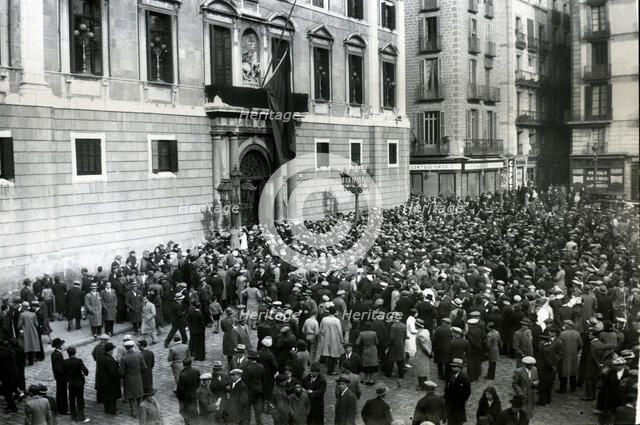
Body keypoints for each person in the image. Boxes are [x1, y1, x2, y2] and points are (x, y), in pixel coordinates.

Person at [536, 326, 563, 406]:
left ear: (555, 333)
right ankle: (544, 399)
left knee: (548, 383)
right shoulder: (547, 340)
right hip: (544, 365)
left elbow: (561, 354)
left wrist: (554, 362)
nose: (549, 333)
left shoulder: (558, 342)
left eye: (551, 332)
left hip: (551, 366)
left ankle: (545, 399)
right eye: (549, 331)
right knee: (544, 382)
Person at [120, 339, 147, 418]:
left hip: (128, 380)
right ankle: (142, 411)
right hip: (138, 378)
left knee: (131, 397)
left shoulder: (124, 358)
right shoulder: (139, 355)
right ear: (133, 346)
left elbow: (122, 372)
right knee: (139, 396)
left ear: (126, 348)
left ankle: (134, 412)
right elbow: (144, 367)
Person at [62, 347, 90, 423]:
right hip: (79, 383)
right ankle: (81, 417)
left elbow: (63, 373)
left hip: (71, 383)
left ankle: (73, 416)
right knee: (80, 400)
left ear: (68, 353)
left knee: (71, 400)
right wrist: (83, 374)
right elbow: (86, 371)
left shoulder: (65, 362)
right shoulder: (79, 361)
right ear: (75, 352)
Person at [316, 306, 344, 375]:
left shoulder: (324, 319)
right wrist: (341, 340)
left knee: (328, 354)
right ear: (335, 312)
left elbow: (321, 329)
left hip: (326, 339)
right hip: (334, 339)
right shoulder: (336, 320)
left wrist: (322, 337)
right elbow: (340, 331)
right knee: (332, 355)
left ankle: (329, 368)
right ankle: (331, 370)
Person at [96, 342, 121, 415]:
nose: (113, 351)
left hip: (103, 380)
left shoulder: (101, 357)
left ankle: (107, 409)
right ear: (110, 350)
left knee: (106, 396)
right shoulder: (109, 360)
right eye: (112, 349)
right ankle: (113, 410)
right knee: (113, 396)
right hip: (111, 381)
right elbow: (113, 372)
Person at [444, 358, 471, 425]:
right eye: (452, 366)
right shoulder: (450, 375)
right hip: (450, 405)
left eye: (455, 367)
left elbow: (467, 392)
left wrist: (461, 400)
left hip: (458, 406)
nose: (453, 368)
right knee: (450, 421)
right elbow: (447, 388)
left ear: (460, 368)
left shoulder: (464, 378)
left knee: (458, 422)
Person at [558, 319, 582, 393]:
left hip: (565, 355)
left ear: (568, 325)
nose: (564, 325)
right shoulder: (577, 333)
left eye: (565, 324)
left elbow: (559, 345)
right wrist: (576, 351)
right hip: (574, 355)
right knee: (573, 372)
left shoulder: (562, 334)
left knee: (564, 372)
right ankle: (573, 388)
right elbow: (580, 344)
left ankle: (563, 388)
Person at [512, 356, 538, 420]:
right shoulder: (519, 371)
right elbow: (515, 383)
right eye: (529, 365)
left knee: (529, 413)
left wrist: (536, 383)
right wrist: (520, 392)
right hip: (523, 395)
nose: (531, 366)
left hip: (531, 394)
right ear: (525, 364)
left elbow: (536, 379)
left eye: (532, 365)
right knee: (522, 412)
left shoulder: (535, 369)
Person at [243, 350, 265, 425]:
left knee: (247, 411)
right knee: (258, 411)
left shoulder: (248, 368)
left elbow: (245, 380)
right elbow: (263, 379)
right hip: (258, 390)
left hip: (249, 392)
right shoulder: (261, 366)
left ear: (250, 359)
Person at [177, 358, 201, 425]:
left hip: (185, 398)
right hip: (193, 395)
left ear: (183, 364)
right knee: (194, 410)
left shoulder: (182, 375)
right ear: (191, 363)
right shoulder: (196, 371)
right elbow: (199, 383)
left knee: (186, 413)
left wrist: (179, 397)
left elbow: (180, 389)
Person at [17, 301, 41, 365]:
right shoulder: (33, 314)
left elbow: (19, 325)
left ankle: (24, 362)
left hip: (25, 332)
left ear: (23, 307)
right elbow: (37, 324)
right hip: (32, 332)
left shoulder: (22, 314)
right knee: (31, 346)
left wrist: (19, 329)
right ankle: (31, 362)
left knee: (25, 346)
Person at [50, 338, 68, 415]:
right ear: (59, 346)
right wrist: (65, 374)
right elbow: (59, 368)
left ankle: (60, 407)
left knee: (60, 392)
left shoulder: (55, 353)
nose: (64, 346)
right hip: (61, 377)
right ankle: (63, 409)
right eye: (62, 345)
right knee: (62, 393)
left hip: (58, 377)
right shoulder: (58, 355)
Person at [412, 318, 432, 390]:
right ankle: (423, 384)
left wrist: (428, 352)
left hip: (421, 353)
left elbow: (423, 346)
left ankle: (422, 385)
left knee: (420, 370)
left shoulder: (420, 334)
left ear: (417, 325)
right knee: (424, 370)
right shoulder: (426, 331)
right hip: (424, 353)